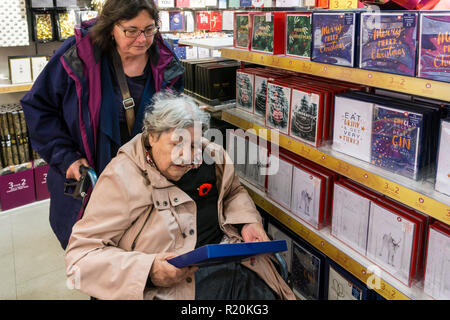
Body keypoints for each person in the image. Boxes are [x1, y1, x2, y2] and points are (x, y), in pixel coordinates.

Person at [64, 93, 296, 300]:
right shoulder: (121, 178)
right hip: (169, 289)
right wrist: (149, 271)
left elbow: (233, 192)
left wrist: (248, 222)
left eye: (194, 144)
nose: (188, 156)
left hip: (234, 268)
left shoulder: (212, 157)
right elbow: (80, 258)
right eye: (177, 144)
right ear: (152, 136)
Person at [20, 0, 184, 249]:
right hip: (90, 186)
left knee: (143, 263)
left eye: (149, 30)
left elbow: (173, 120)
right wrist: (66, 158)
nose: (142, 39)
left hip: (146, 188)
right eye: (131, 31)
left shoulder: (166, 62)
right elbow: (39, 107)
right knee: (99, 263)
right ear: (111, 27)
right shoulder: (77, 55)